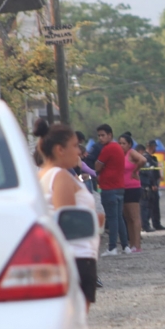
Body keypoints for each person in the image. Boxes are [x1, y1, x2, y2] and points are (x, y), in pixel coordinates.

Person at [33, 119, 103, 312]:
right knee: (75, 321)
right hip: (76, 256)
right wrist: (93, 222)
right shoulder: (60, 176)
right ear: (59, 150)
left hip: (59, 255)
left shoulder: (42, 175)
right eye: (74, 146)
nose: (79, 151)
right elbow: (68, 222)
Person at [95, 124, 131, 256]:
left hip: (109, 187)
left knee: (112, 218)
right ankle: (125, 246)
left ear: (110, 135)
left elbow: (97, 166)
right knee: (119, 217)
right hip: (120, 187)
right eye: (99, 135)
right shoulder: (118, 148)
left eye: (103, 135)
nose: (100, 138)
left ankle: (112, 247)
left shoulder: (107, 149)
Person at [118, 132, 147, 252]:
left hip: (133, 187)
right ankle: (132, 244)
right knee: (128, 218)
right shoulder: (119, 154)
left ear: (129, 144)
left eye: (124, 143)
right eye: (119, 143)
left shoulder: (131, 153)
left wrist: (135, 171)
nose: (121, 145)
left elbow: (143, 159)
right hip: (122, 187)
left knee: (135, 217)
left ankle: (137, 244)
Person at [145, 140, 165, 231]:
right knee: (148, 206)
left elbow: (155, 171)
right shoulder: (146, 158)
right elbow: (149, 172)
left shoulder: (153, 158)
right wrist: (152, 184)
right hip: (150, 185)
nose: (155, 149)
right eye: (154, 147)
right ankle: (146, 224)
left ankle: (156, 223)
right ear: (152, 146)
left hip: (155, 184)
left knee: (155, 206)